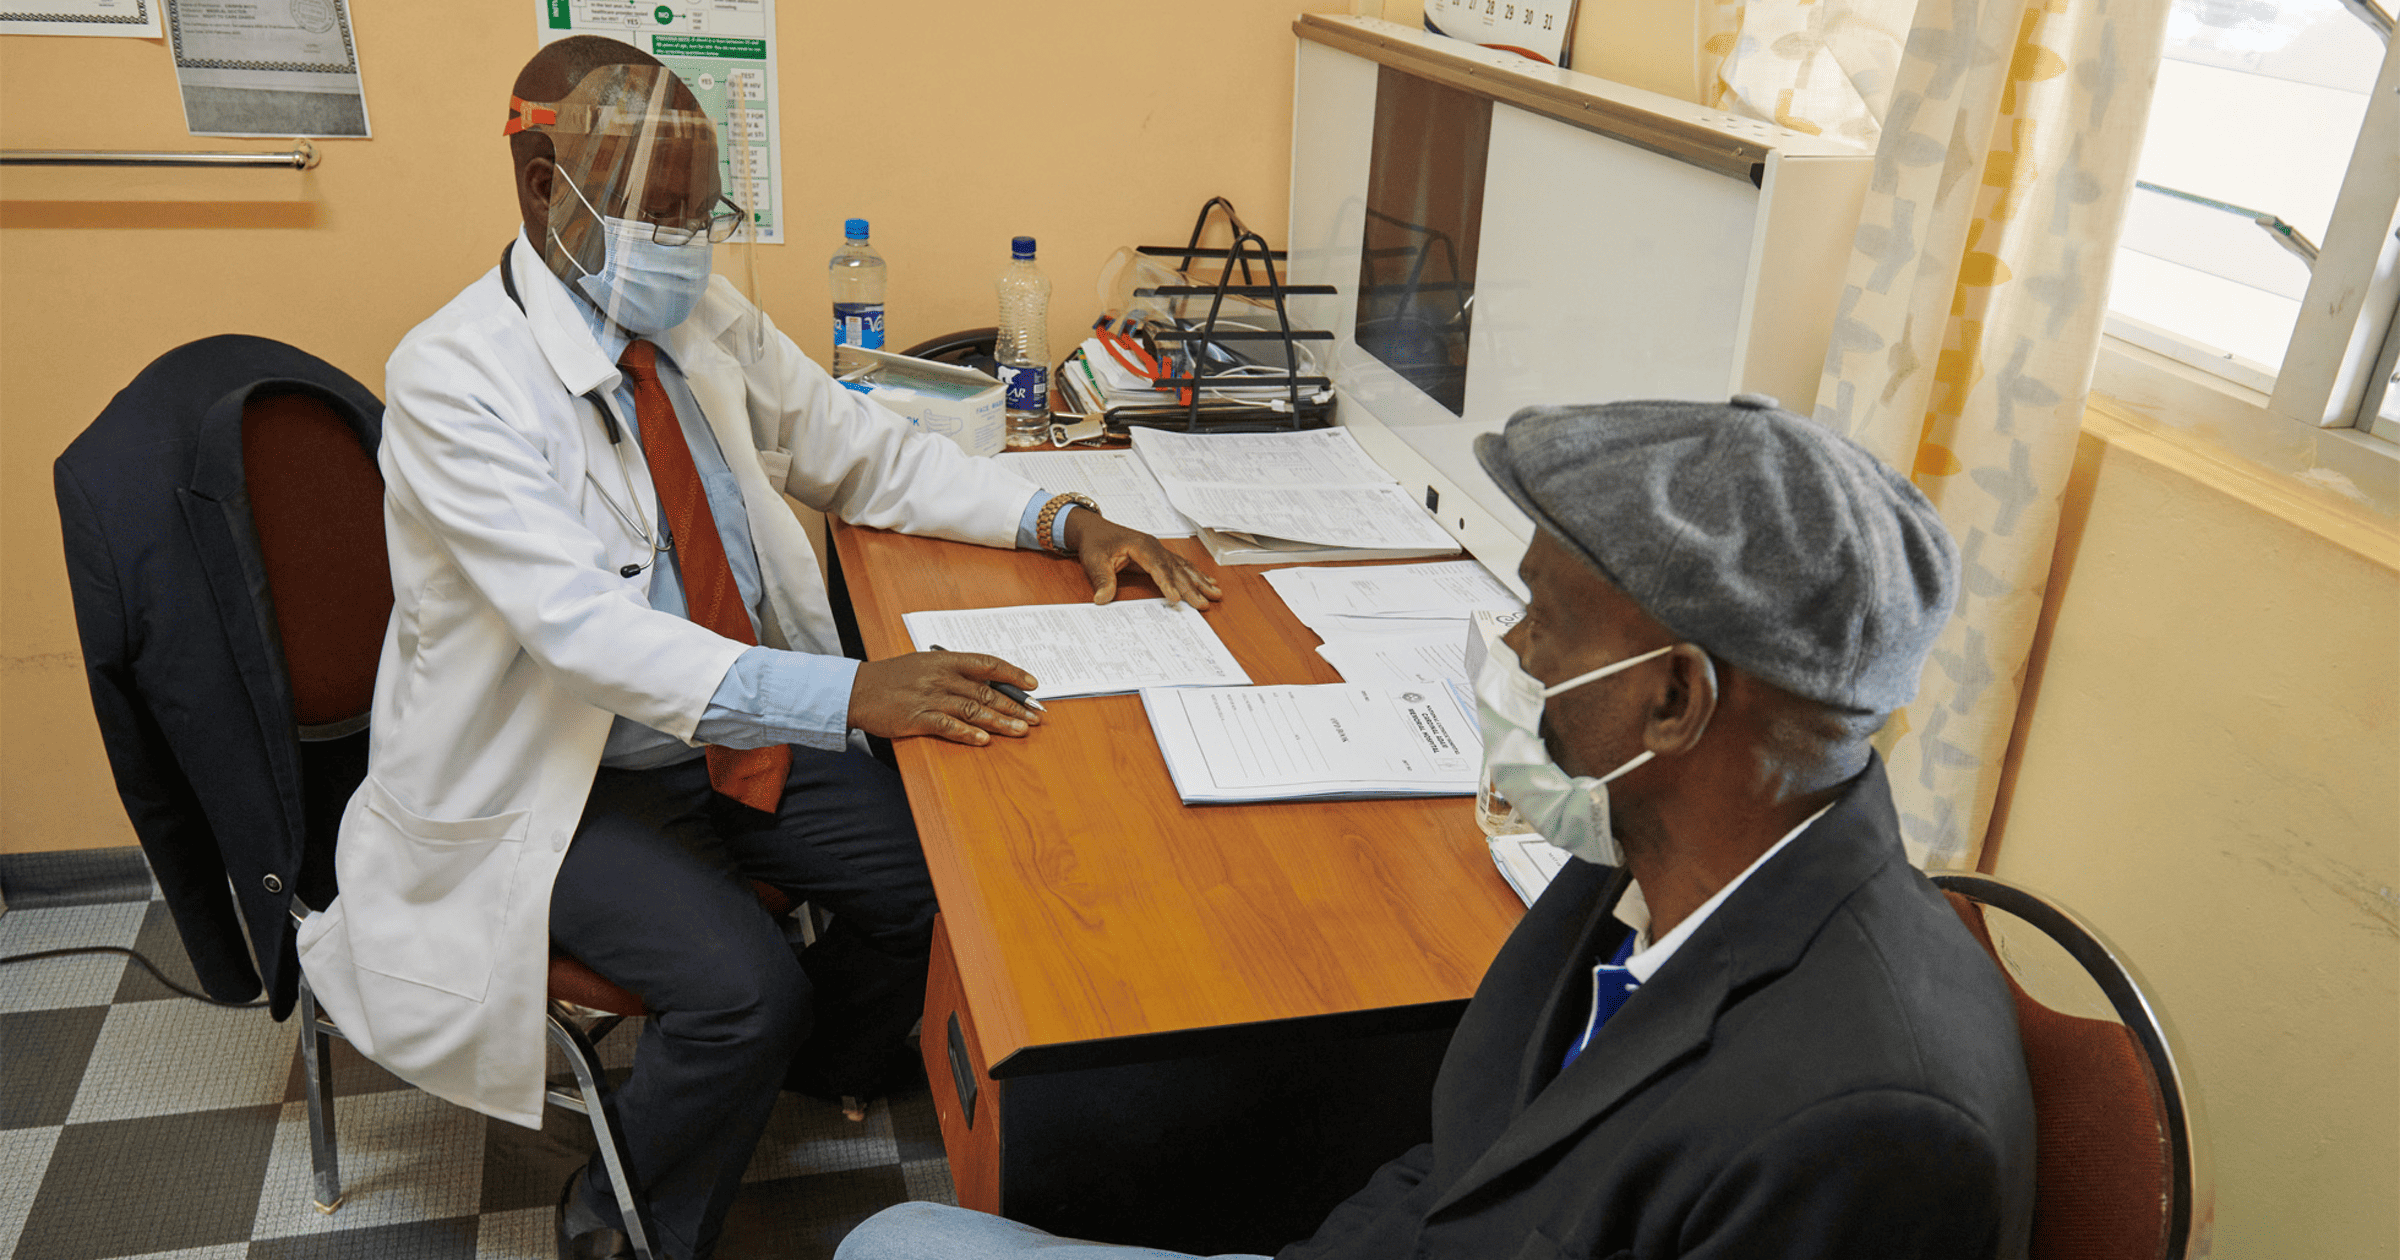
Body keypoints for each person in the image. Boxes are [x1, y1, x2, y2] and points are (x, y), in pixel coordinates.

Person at [290, 36, 1220, 1260]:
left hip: (729, 737)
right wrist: (852, 695)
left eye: (699, 211)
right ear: (538, 187)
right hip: (558, 784)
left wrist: (1063, 517)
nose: (683, 241)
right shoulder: (457, 381)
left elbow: (862, 449)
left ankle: (817, 1068)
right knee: (742, 991)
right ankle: (625, 1223)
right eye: (652, 212)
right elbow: (585, 637)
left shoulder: (696, 318)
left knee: (939, 875)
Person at [836, 394, 2037, 1259]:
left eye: (1546, 620)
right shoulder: (1640, 861)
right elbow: (1460, 1161)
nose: (1514, 649)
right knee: (891, 1239)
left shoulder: (1868, 1128)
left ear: (1676, 700)